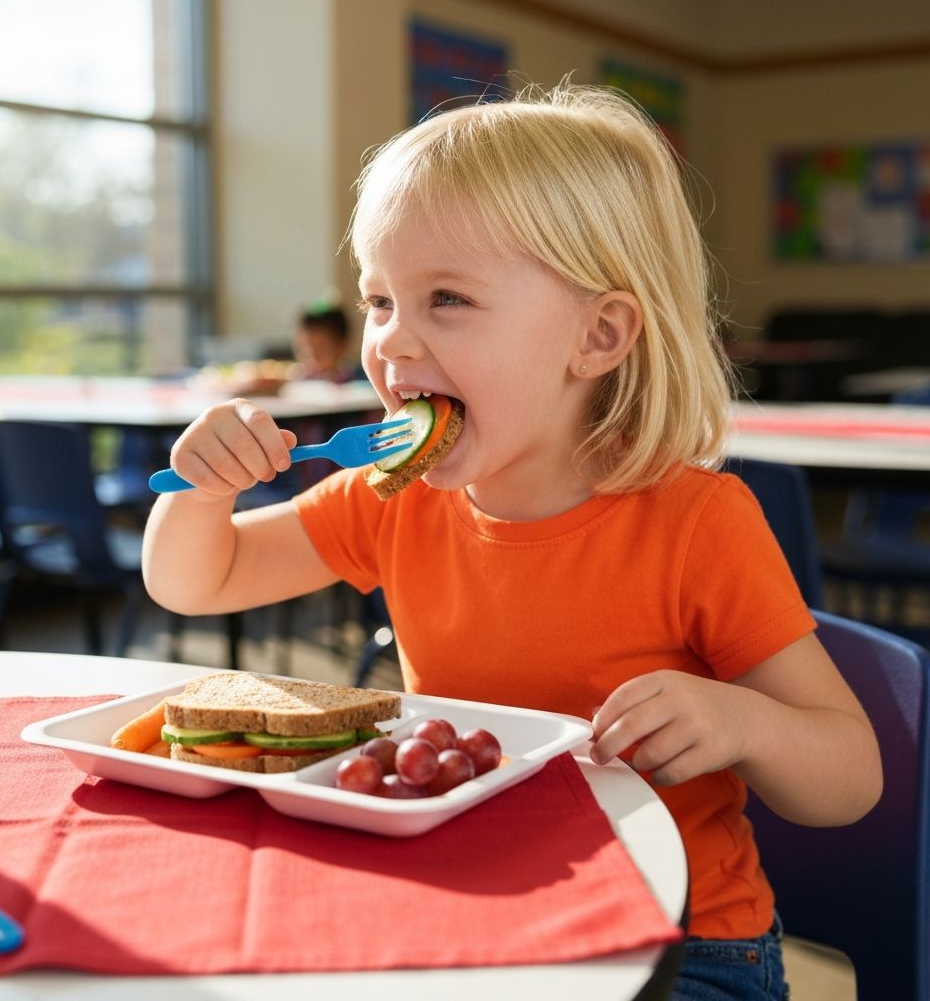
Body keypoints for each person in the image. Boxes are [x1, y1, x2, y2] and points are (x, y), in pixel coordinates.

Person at [143, 81, 882, 1001]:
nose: (392, 339)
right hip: (477, 910)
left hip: (685, 943)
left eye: (446, 298)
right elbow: (196, 581)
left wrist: (740, 720)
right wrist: (203, 493)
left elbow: (849, 779)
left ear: (598, 335)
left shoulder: (697, 523)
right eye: (380, 299)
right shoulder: (392, 495)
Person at [293, 303, 364, 383]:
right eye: (304, 349)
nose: (313, 356)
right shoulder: (299, 379)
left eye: (321, 348)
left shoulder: (360, 381)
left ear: (342, 345)